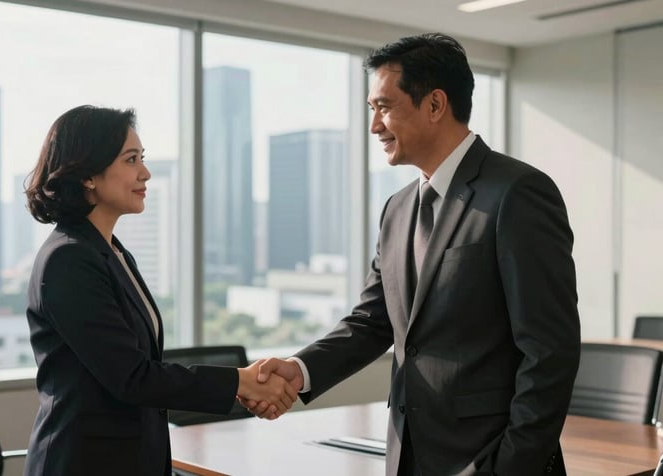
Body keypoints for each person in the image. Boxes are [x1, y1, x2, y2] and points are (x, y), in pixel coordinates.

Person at [242, 33, 581, 476]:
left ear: (435, 105)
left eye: (384, 107)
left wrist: (510, 467)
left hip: (491, 459)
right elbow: (372, 322)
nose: (374, 126)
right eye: (371, 110)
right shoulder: (397, 209)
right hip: (411, 457)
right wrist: (300, 369)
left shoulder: (518, 194)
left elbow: (550, 353)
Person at [22, 105, 297, 476]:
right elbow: (133, 377)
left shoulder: (111, 252)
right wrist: (240, 381)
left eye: (142, 158)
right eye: (131, 159)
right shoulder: (68, 259)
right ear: (88, 174)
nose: (145, 173)